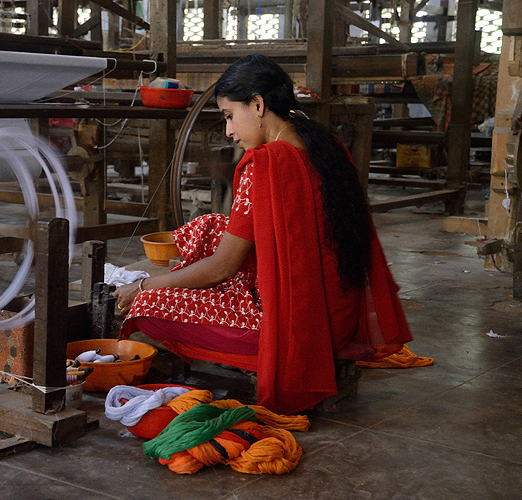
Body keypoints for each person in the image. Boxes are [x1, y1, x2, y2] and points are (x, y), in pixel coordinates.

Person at [113, 54, 413, 415]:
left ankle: (226, 337)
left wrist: (146, 286)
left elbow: (222, 268)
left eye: (228, 116)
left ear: (257, 104)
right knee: (210, 226)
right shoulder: (327, 146)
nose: (229, 131)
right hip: (336, 315)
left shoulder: (265, 164)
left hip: (296, 329)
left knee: (149, 305)